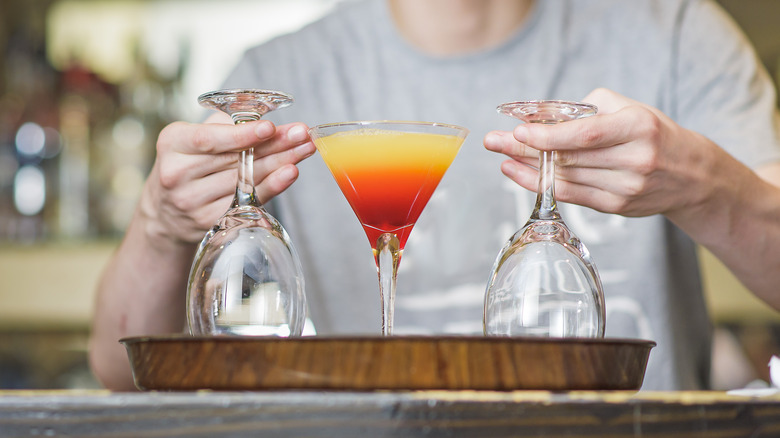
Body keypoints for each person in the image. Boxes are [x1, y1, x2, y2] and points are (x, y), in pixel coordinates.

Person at [89, 0, 780, 391]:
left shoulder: (677, 35)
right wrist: (160, 225)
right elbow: (119, 373)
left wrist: (710, 188)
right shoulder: (280, 73)